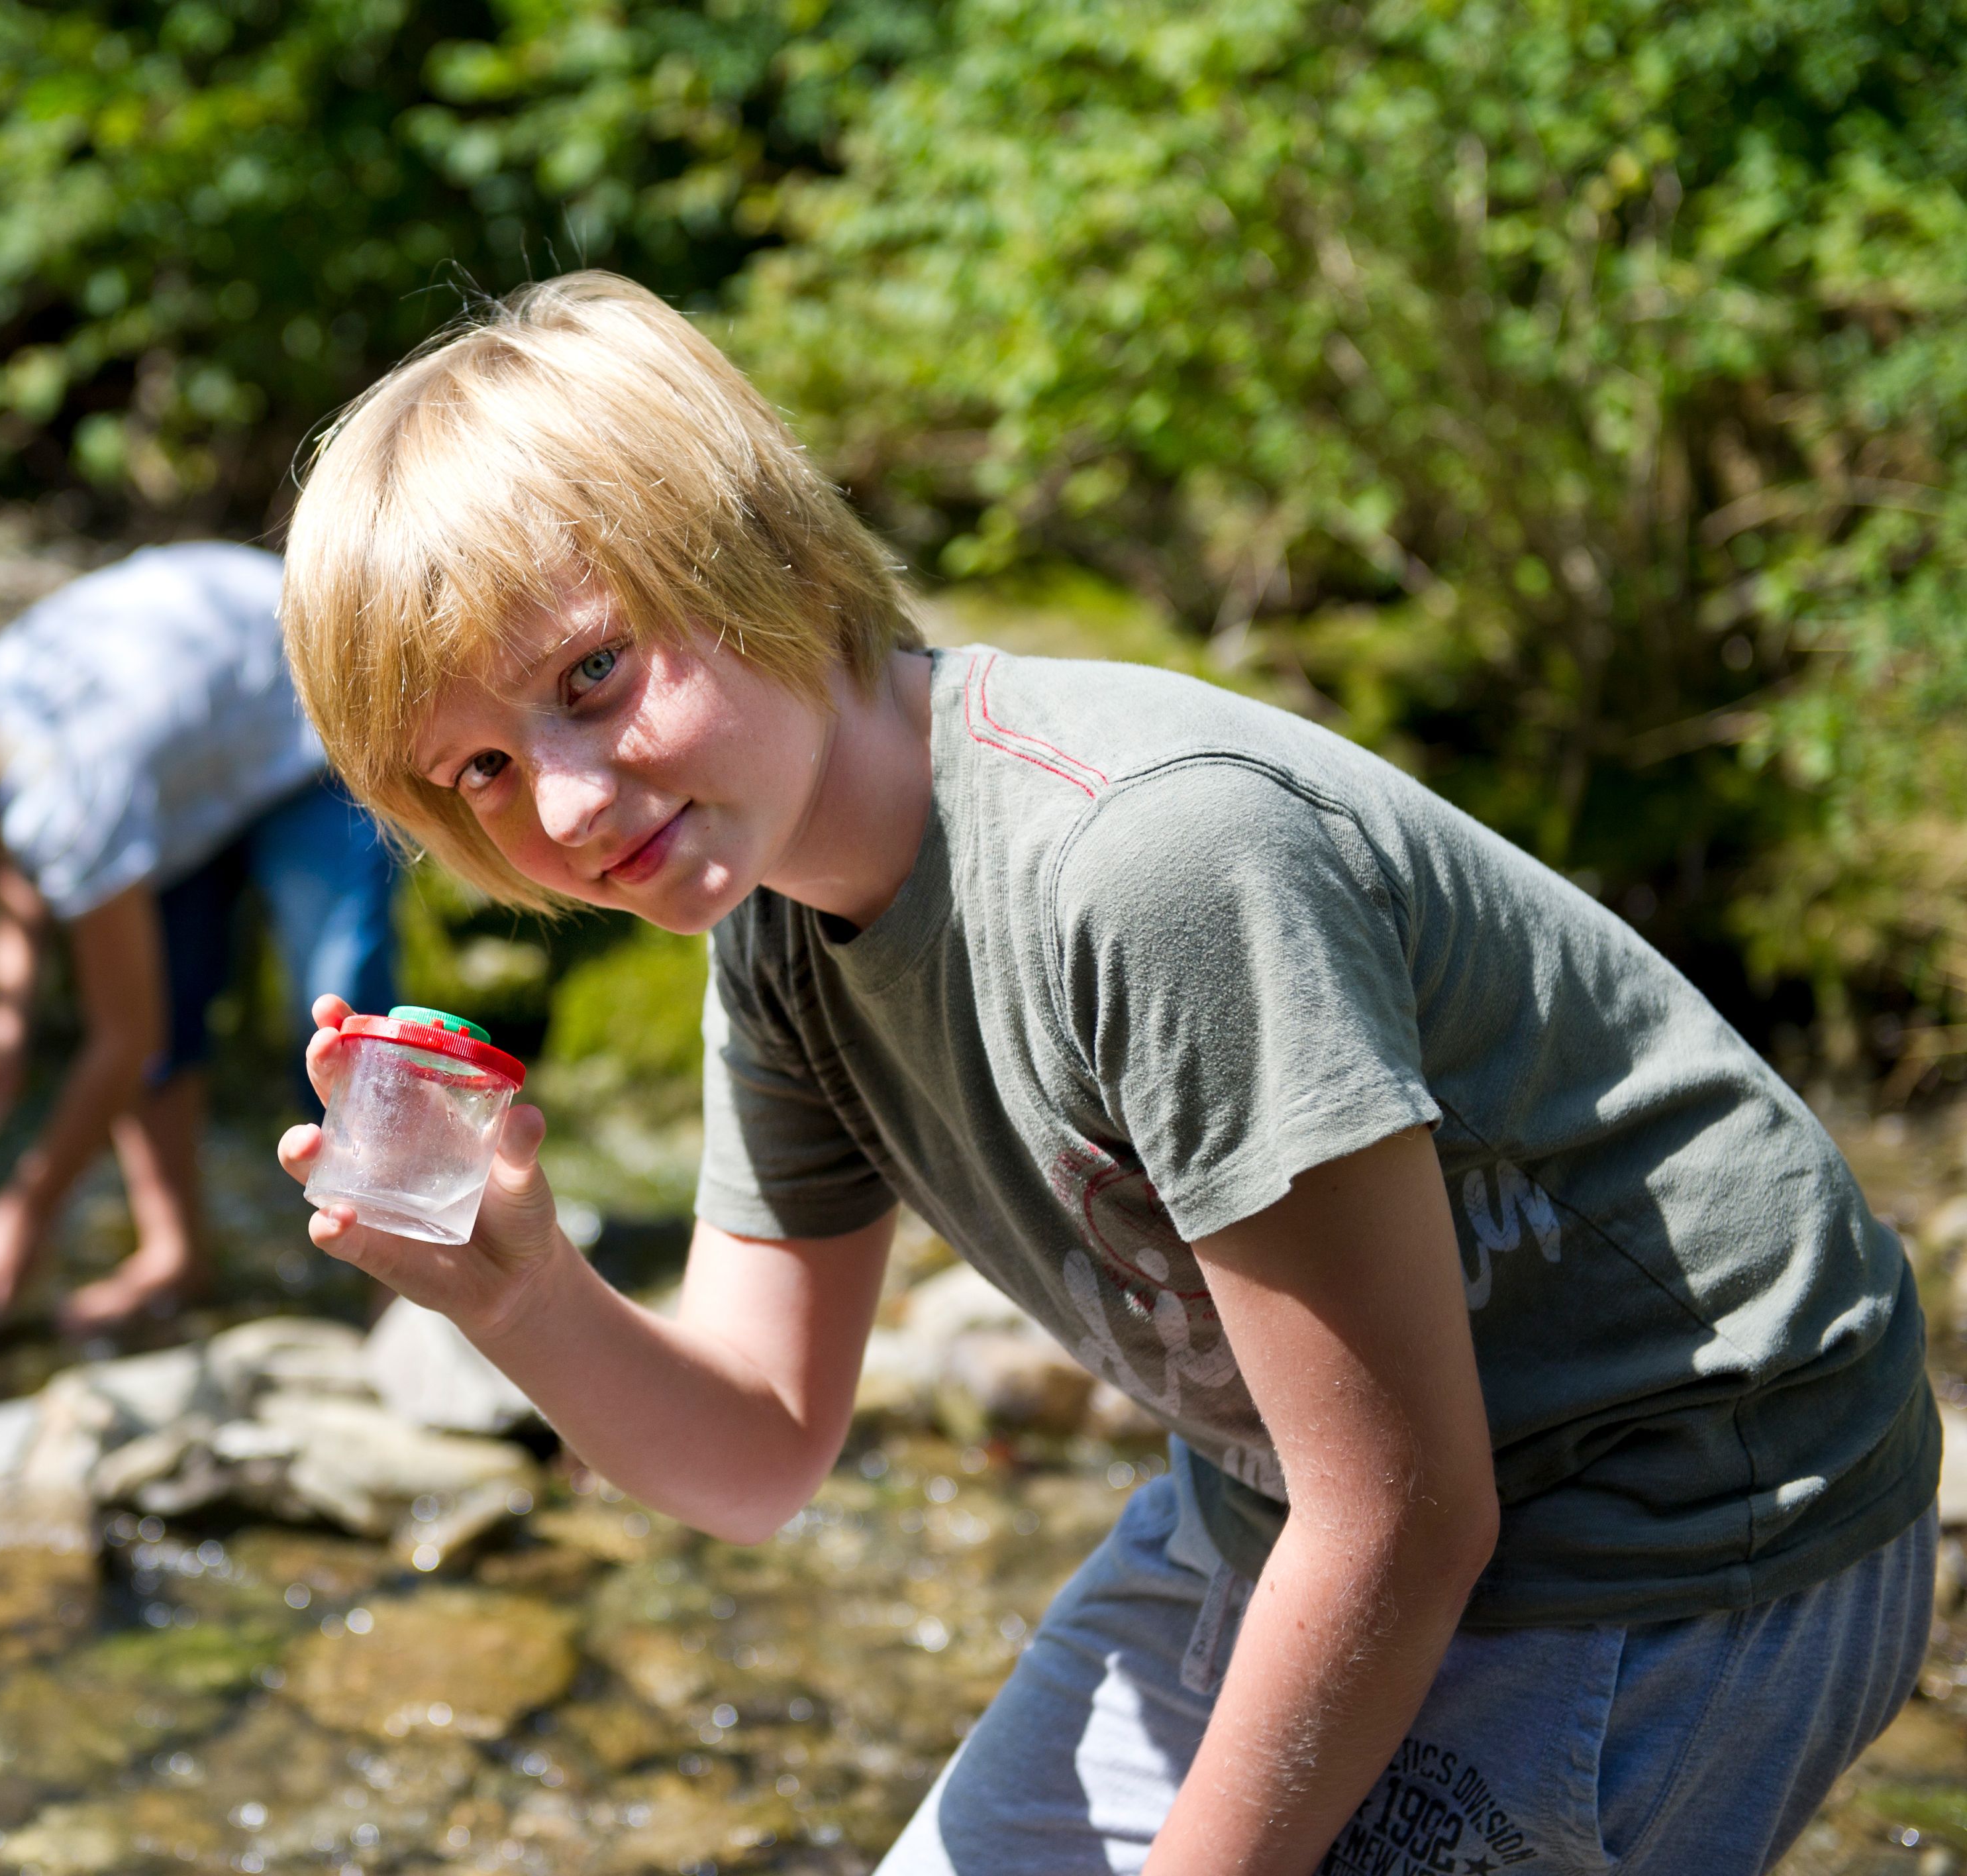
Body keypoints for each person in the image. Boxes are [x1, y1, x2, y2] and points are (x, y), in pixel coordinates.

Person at [268, 274, 1935, 1875]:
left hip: (1688, 1512)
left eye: (591, 675)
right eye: (480, 767)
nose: (562, 807)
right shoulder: (774, 924)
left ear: (746, 542)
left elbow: (1409, 1516)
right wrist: (520, 1288)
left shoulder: (1151, 860)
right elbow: (764, 1451)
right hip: (1291, 1498)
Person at [0, 541, 397, 1337]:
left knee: (335, 1011)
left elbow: (120, 1038)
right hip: (187, 741)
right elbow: (17, 861)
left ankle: (403, 1277)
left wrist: (27, 1210)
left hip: (301, 704)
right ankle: (176, 1255)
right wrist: (1, 1029)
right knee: (169, 1007)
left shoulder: (68, 797)